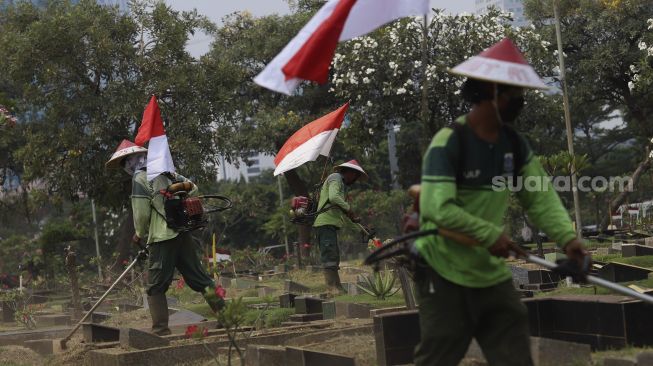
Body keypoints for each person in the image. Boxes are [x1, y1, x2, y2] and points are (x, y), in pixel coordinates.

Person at [413, 38, 590, 365]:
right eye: (515, 95)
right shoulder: (450, 142)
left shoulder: (514, 145)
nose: (520, 102)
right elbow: (438, 208)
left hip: (489, 274)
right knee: (440, 350)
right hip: (443, 269)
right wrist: (489, 234)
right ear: (492, 92)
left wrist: (568, 239)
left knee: (513, 347)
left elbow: (539, 197)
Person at [106, 140, 223, 335]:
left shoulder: (140, 178)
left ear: (130, 162)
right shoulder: (167, 172)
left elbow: (142, 215)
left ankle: (160, 330)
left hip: (161, 238)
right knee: (200, 279)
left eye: (125, 163)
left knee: (156, 287)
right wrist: (174, 192)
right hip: (182, 232)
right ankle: (227, 317)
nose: (126, 167)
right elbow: (193, 188)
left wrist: (139, 234)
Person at [313, 160, 367, 292]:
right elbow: (334, 197)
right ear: (350, 172)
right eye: (356, 176)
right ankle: (332, 288)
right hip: (325, 223)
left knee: (333, 256)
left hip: (330, 224)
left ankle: (337, 287)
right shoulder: (335, 178)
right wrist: (349, 209)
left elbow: (344, 212)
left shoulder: (342, 185)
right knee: (329, 255)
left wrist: (360, 228)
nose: (355, 180)